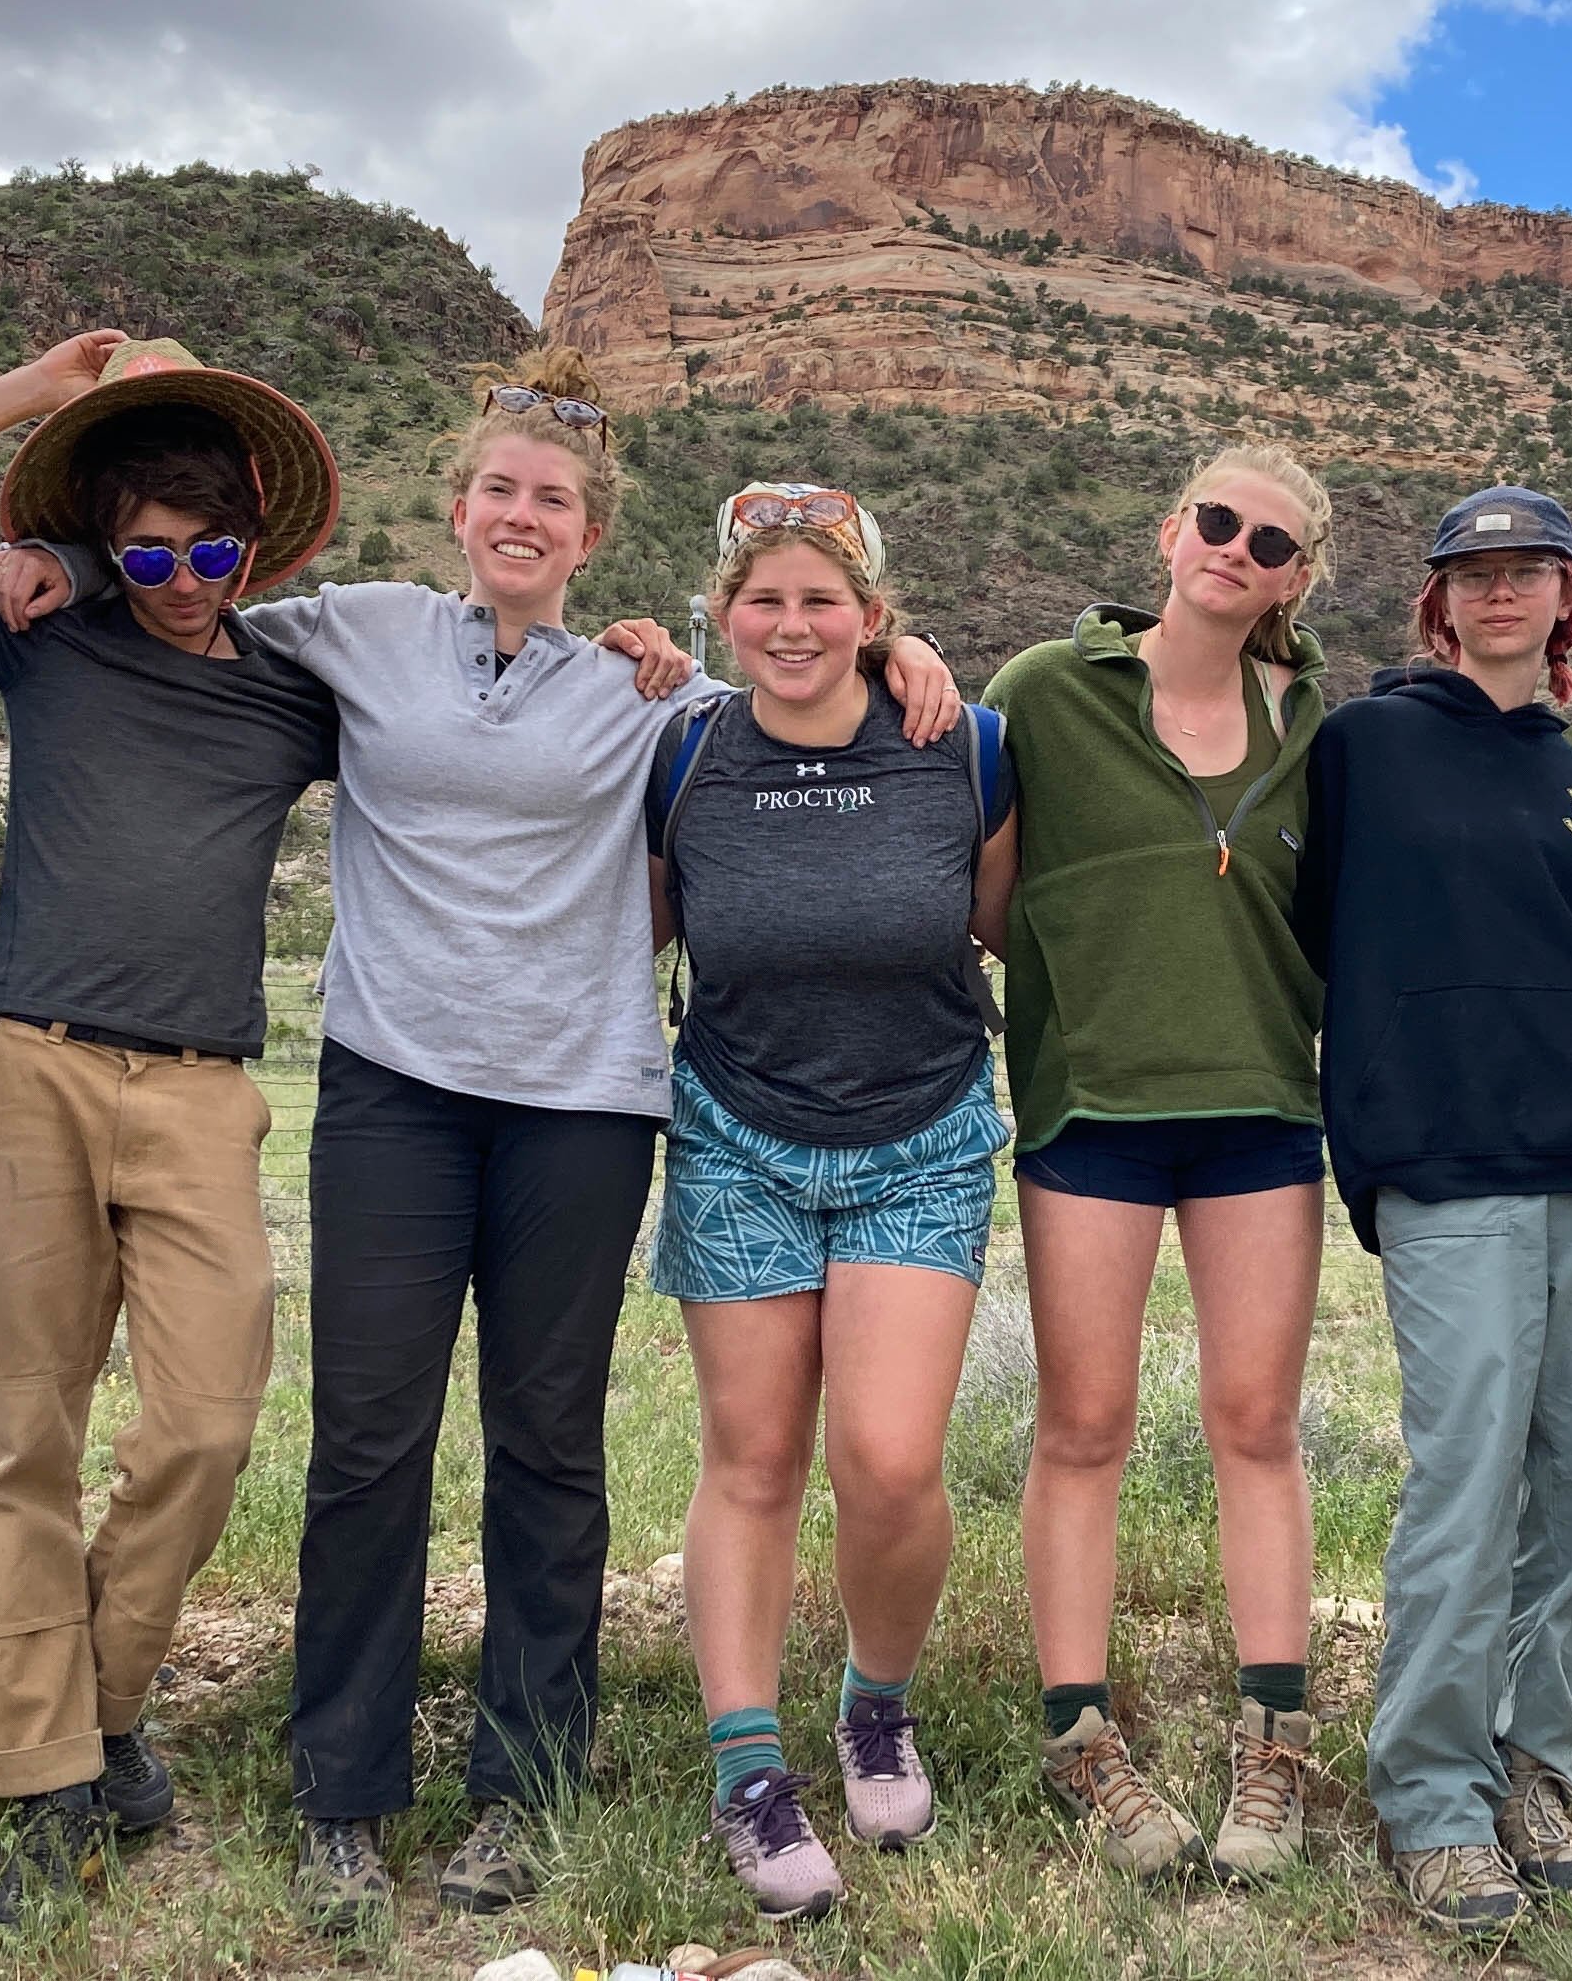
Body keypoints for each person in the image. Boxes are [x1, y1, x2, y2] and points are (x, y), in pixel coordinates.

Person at [82, 348, 957, 1939]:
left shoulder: (649, 694)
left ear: (590, 530)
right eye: (498, 488)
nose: (520, 514)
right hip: (391, 1089)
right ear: (459, 503)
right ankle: (344, 1784)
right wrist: (49, 558)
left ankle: (523, 1784)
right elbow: (179, 601)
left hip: (581, 1102)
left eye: (552, 498)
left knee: (548, 1443)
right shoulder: (355, 630)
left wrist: (915, 655)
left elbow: (799, 671)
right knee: (368, 1438)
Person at [0, 332, 348, 1926]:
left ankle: (106, 1703)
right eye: (147, 548)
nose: (181, 578)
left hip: (206, 1085)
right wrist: (33, 416)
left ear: (254, 548)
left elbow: (488, 711)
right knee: (29, 1438)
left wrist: (638, 650)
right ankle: (33, 1781)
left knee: (206, 1424)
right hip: (31, 1066)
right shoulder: (46, 637)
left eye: (210, 551)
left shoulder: (294, 693)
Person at [1292, 486, 1572, 1935]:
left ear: (1570, 598)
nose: (1502, 591)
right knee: (1465, 1477)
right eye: (1476, 571)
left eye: (1529, 570)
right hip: (1448, 1157)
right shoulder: (1364, 746)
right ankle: (1432, 1797)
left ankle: (1534, 1762)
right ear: (1439, 600)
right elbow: (1309, 919)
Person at [643, 482, 1016, 1916]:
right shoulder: (681, 756)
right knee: (750, 1455)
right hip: (738, 1131)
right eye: (763, 598)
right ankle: (750, 1767)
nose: (791, 623)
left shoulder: (961, 747)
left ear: (874, 616)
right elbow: (636, 921)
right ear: (725, 614)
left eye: (823, 599)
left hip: (921, 1135)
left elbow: (1000, 923)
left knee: (888, 1459)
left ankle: (876, 1700)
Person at [979, 442, 1333, 1884]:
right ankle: (1082, 1735)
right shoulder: (1042, 695)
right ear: (1169, 526)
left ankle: (1277, 1740)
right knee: (1085, 1422)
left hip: (1261, 1106)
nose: (1236, 550)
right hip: (1094, 1107)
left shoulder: (1314, 720)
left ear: (1296, 579)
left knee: (1258, 1421)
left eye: (1271, 541)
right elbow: (989, 897)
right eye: (1219, 521)